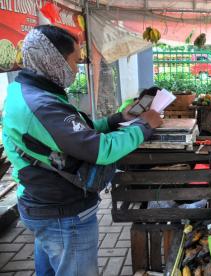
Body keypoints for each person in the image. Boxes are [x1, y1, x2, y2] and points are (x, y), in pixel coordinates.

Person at [2, 25, 162, 276]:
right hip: (62, 214)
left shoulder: (28, 91)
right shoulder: (42, 105)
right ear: (53, 60)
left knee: (51, 269)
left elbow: (76, 134)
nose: (76, 70)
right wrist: (144, 126)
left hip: (41, 204)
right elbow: (100, 149)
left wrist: (117, 118)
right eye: (74, 61)